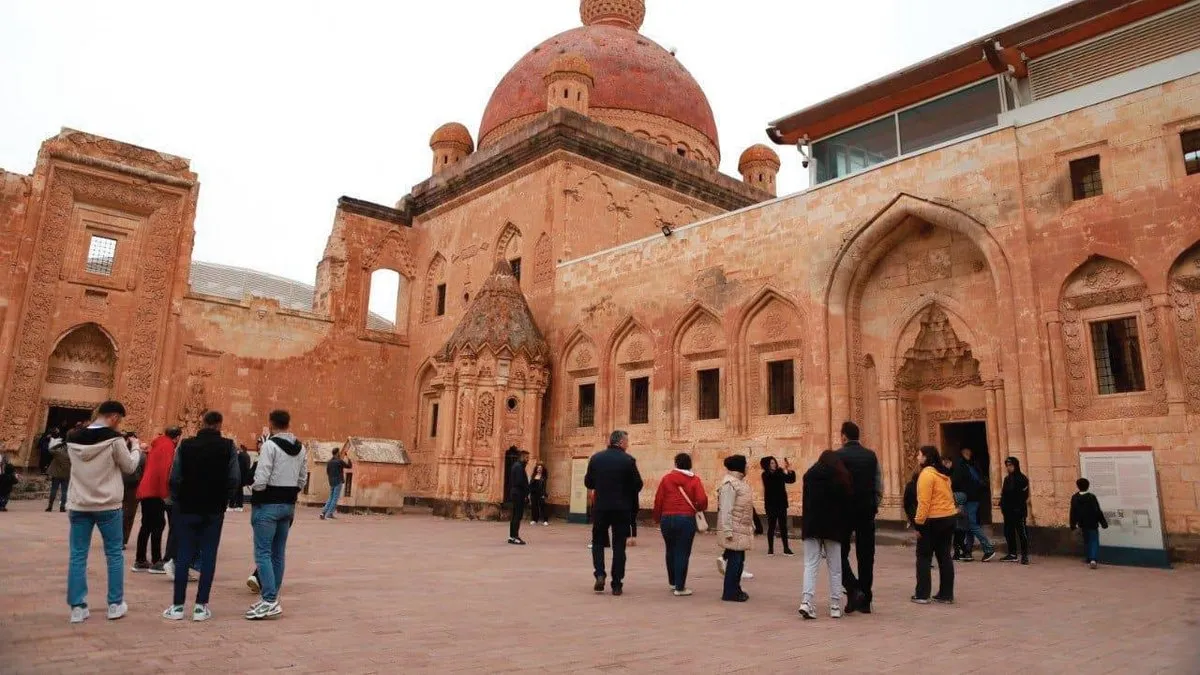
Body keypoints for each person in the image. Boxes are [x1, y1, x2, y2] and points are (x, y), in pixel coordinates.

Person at [63, 400, 141, 623]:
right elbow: (129, 466)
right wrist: (134, 446)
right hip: (107, 505)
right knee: (114, 554)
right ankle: (115, 604)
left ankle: (77, 607)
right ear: (114, 417)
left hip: (79, 504)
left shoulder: (72, 437)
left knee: (78, 555)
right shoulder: (114, 439)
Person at [162, 411, 240, 621]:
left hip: (187, 507)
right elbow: (234, 478)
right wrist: (224, 500)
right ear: (219, 425)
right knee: (208, 556)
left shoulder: (185, 445)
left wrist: (179, 499)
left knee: (184, 554)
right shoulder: (228, 446)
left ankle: (177, 606)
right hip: (214, 509)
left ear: (202, 423)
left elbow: (174, 476)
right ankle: (200, 606)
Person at [246, 410, 307, 620]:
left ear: (271, 424)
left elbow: (261, 476)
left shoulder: (270, 446)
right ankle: (271, 598)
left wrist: (256, 488)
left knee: (263, 553)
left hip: (268, 504)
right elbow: (302, 479)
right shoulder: (301, 448)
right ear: (288, 424)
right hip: (288, 505)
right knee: (278, 553)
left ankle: (270, 600)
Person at [584, 430, 642, 596]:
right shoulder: (628, 460)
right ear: (622, 442)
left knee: (598, 542)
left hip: (601, 507)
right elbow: (638, 484)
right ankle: (617, 583)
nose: (628, 444)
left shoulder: (596, 458)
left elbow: (588, 481)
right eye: (627, 441)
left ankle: (600, 574)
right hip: (622, 509)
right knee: (619, 546)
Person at [797, 450, 851, 619]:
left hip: (812, 526)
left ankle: (806, 601)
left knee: (810, 565)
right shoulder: (840, 477)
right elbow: (845, 505)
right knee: (835, 567)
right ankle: (835, 605)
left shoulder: (809, 476)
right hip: (833, 527)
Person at [835, 421, 881, 614]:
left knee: (838, 552)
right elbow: (879, 483)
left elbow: (834, 485)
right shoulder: (871, 456)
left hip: (844, 511)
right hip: (866, 510)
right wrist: (874, 504)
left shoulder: (838, 456)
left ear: (844, 436)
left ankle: (853, 588)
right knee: (866, 555)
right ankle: (865, 598)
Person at [652, 452, 707, 597]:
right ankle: (680, 587)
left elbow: (659, 499)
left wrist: (657, 518)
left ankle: (672, 581)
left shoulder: (666, 479)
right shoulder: (694, 480)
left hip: (667, 518)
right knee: (682, 551)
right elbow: (701, 500)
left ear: (676, 464)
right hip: (686, 518)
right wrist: (699, 508)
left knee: (670, 550)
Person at [132, 427, 182, 574]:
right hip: (154, 490)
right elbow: (164, 470)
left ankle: (140, 560)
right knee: (158, 524)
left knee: (147, 525)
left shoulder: (158, 444)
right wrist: (164, 493)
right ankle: (156, 561)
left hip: (146, 489)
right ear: (177, 437)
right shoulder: (168, 447)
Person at [912, 445, 957, 605]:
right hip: (948, 516)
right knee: (944, 555)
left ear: (926, 457)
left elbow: (923, 502)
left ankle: (922, 594)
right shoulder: (943, 474)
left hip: (933, 519)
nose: (917, 458)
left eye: (919, 455)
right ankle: (946, 594)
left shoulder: (926, 475)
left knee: (923, 556)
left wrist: (918, 524)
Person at [716, 454, 754, 602]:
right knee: (735, 561)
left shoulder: (738, 483)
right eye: (746, 465)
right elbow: (726, 509)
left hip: (741, 527)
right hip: (734, 528)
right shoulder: (729, 484)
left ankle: (735, 589)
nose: (748, 468)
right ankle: (730, 592)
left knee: (738, 561)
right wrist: (727, 530)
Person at [760, 456, 796, 556]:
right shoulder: (765, 475)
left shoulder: (780, 472)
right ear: (767, 465)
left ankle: (786, 548)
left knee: (783, 526)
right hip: (771, 504)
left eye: (774, 462)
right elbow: (772, 478)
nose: (774, 464)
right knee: (771, 526)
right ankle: (770, 549)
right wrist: (782, 471)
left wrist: (788, 470)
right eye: (771, 463)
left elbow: (790, 480)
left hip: (781, 504)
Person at [1069, 477, 1108, 569]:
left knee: (1086, 540)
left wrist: (1072, 524)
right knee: (1094, 540)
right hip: (1092, 522)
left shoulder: (1075, 497)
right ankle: (1093, 559)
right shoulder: (1091, 497)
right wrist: (1103, 522)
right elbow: (1097, 510)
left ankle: (1088, 558)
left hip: (1082, 523)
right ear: (1088, 486)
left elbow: (1073, 512)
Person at [999, 456, 1031, 564]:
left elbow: (1023, 496)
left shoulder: (1022, 479)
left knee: (1022, 533)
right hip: (1008, 511)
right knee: (1009, 532)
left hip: (1019, 511)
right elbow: (1004, 494)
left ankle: (1025, 555)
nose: (1009, 468)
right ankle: (1012, 554)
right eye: (1007, 466)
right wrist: (1003, 506)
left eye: (1011, 465)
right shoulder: (1007, 479)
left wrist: (1017, 507)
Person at [120, 432, 146, 548]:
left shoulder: (121, 452)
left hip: (123, 485)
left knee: (121, 513)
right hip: (132, 486)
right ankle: (122, 539)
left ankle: (117, 538)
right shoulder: (140, 455)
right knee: (128, 514)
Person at [320, 447, 351, 521]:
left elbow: (328, 472)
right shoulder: (339, 461)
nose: (340, 453)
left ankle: (323, 512)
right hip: (338, 481)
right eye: (339, 452)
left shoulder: (329, 462)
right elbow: (349, 466)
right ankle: (329, 514)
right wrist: (348, 457)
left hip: (331, 481)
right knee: (335, 498)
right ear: (337, 453)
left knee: (330, 497)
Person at [507, 450, 530, 544]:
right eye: (527, 458)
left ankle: (512, 536)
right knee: (517, 515)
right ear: (522, 457)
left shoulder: (516, 466)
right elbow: (520, 482)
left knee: (514, 515)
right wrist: (525, 493)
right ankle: (515, 536)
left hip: (514, 492)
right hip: (518, 493)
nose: (528, 460)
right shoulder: (519, 467)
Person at [46, 432, 70, 512]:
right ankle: (62, 507)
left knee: (54, 490)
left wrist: (60, 444)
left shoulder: (58, 453)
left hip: (56, 474)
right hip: (66, 475)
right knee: (64, 491)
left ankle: (50, 506)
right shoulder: (72, 455)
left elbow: (50, 449)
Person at [229, 444, 252, 512]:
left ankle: (234, 505)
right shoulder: (247, 455)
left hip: (239, 476)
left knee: (237, 491)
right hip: (243, 476)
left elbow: (240, 467)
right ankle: (238, 505)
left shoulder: (241, 456)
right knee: (239, 491)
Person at [628, 456, 640, 547]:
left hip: (626, 502)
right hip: (634, 501)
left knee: (627, 521)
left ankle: (628, 538)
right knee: (633, 521)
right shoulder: (636, 478)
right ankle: (633, 538)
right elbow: (640, 484)